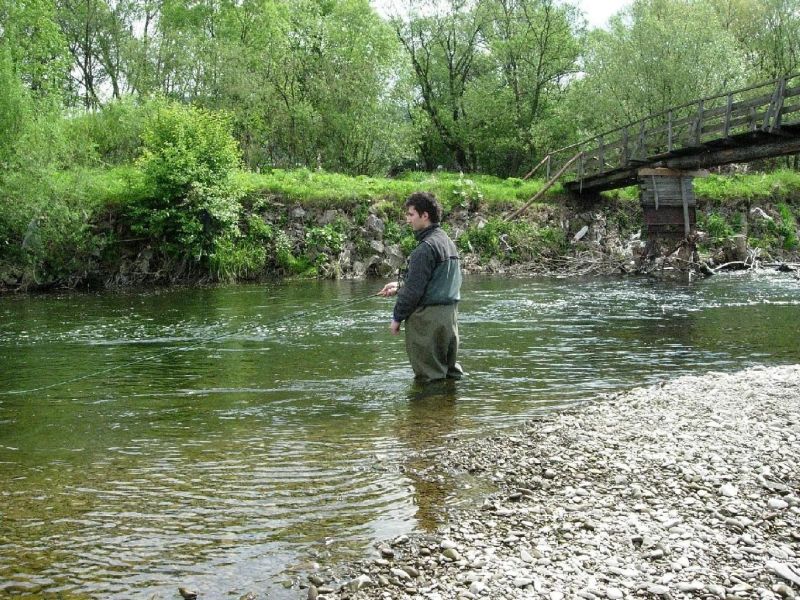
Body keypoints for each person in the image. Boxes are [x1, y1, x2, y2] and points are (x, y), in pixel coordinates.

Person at [378, 192, 463, 381]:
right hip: (449, 318)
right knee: (450, 374)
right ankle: (450, 402)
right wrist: (400, 286)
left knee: (430, 378)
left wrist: (397, 318)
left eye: (411, 214)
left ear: (425, 215)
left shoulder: (424, 249)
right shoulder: (447, 242)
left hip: (428, 321)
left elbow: (414, 292)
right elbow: (435, 281)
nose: (407, 219)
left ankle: (432, 403)